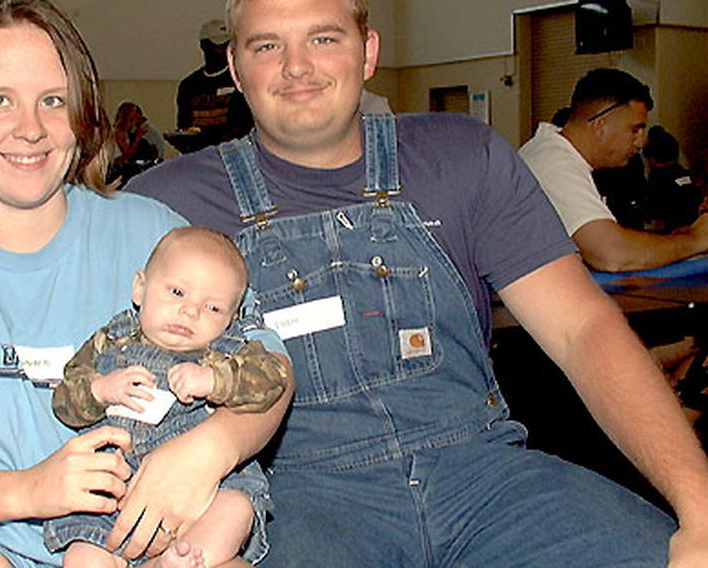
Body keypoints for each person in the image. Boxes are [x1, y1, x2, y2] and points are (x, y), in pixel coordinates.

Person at [126, 0, 708, 565]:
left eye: (323, 38)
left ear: (368, 51)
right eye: (267, 45)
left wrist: (700, 508)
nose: (296, 66)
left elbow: (583, 329)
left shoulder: (461, 157)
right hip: (297, 504)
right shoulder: (165, 205)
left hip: (486, 482)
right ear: (234, 66)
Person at [0, 2, 290, 567]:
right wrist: (30, 489)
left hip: (134, 543)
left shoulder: (154, 235)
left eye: (52, 101)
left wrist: (210, 451)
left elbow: (271, 371)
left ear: (82, 114)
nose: (30, 128)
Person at [46, 226, 289, 567]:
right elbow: (64, 399)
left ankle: (177, 560)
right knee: (82, 556)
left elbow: (273, 381)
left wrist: (216, 380)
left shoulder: (229, 351)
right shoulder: (113, 340)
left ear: (232, 319)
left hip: (205, 491)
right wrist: (101, 389)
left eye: (214, 308)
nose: (190, 312)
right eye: (177, 292)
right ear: (140, 288)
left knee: (236, 509)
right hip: (114, 486)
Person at [519, 68, 708, 272]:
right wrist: (696, 239)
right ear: (601, 125)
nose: (641, 142)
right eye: (634, 130)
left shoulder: (551, 153)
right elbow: (612, 254)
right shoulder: (553, 164)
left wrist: (675, 242)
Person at [175, 19, 253, 149]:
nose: (225, 50)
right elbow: (184, 129)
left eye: (229, 44)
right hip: (199, 157)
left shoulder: (242, 79)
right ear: (204, 45)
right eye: (220, 45)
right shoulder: (189, 86)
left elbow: (247, 128)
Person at [642, 125, 702, 233]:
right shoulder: (684, 174)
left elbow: (655, 209)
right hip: (693, 226)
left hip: (669, 231)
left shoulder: (658, 178)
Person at [109, 101, 166, 184]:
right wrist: (138, 137)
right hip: (118, 168)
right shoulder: (119, 132)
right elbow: (128, 153)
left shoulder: (130, 131)